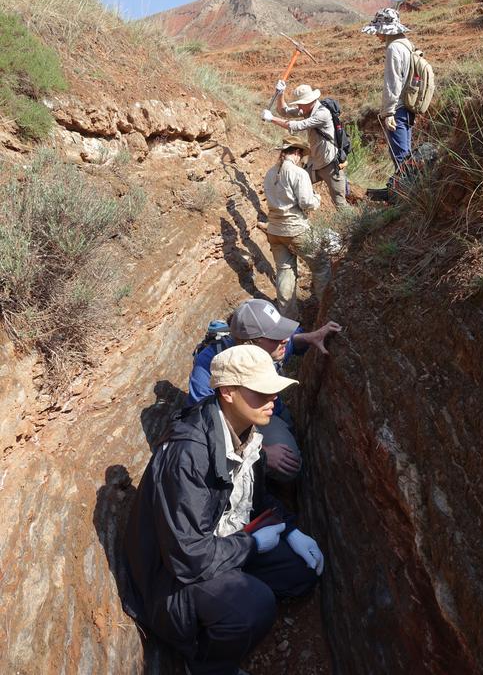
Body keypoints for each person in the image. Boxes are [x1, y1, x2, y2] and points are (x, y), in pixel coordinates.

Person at [123, 345, 323, 675]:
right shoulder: (189, 454)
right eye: (261, 391)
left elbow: (254, 501)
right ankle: (207, 665)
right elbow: (188, 559)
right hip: (169, 583)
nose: (272, 398)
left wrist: (290, 528)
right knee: (255, 605)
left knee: (299, 572)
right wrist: (252, 546)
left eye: (273, 389)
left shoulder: (246, 432)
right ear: (228, 392)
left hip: (221, 542)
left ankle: (228, 608)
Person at [188, 298, 341, 482]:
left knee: (288, 435)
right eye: (276, 336)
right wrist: (262, 453)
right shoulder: (209, 366)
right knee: (289, 465)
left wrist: (308, 337)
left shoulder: (270, 348)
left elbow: (290, 342)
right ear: (251, 343)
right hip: (235, 428)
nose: (284, 339)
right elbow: (205, 422)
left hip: (269, 413)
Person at [264, 134, 331, 320]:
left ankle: (289, 320)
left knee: (284, 271)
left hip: (275, 230)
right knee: (321, 265)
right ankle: (325, 312)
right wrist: (317, 198)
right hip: (296, 229)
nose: (302, 159)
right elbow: (307, 203)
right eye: (301, 155)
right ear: (296, 152)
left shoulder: (270, 173)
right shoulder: (298, 173)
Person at [261, 82, 347, 209]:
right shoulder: (307, 109)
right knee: (296, 185)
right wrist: (281, 94)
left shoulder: (322, 114)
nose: (298, 106)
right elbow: (284, 111)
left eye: (300, 103)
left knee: (340, 204)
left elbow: (297, 126)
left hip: (330, 165)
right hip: (315, 164)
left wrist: (271, 119)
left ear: (309, 101)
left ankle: (361, 227)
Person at [361, 7, 415, 169]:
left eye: (378, 30)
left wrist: (389, 113)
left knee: (400, 158)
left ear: (386, 29)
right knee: (406, 155)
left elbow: (393, 83)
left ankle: (406, 191)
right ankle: (406, 188)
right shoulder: (407, 45)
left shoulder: (394, 48)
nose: (376, 35)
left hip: (398, 109)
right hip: (409, 106)